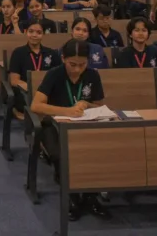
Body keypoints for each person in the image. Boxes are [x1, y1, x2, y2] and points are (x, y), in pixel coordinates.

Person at [30, 39, 109, 221]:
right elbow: (36, 105)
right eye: (72, 64)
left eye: (82, 64)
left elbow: (98, 105)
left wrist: (86, 104)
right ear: (63, 58)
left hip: (83, 125)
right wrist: (67, 111)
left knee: (96, 150)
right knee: (61, 154)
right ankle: (71, 197)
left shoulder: (92, 75)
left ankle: (90, 196)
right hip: (54, 125)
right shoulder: (54, 74)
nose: (77, 69)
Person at [8, 21, 61, 116]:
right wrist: (32, 88)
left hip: (47, 93)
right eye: (31, 31)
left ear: (43, 34)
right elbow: (14, 80)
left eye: (39, 32)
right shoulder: (18, 52)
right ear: (26, 32)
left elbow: (59, 76)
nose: (34, 35)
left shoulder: (51, 53)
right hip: (25, 92)